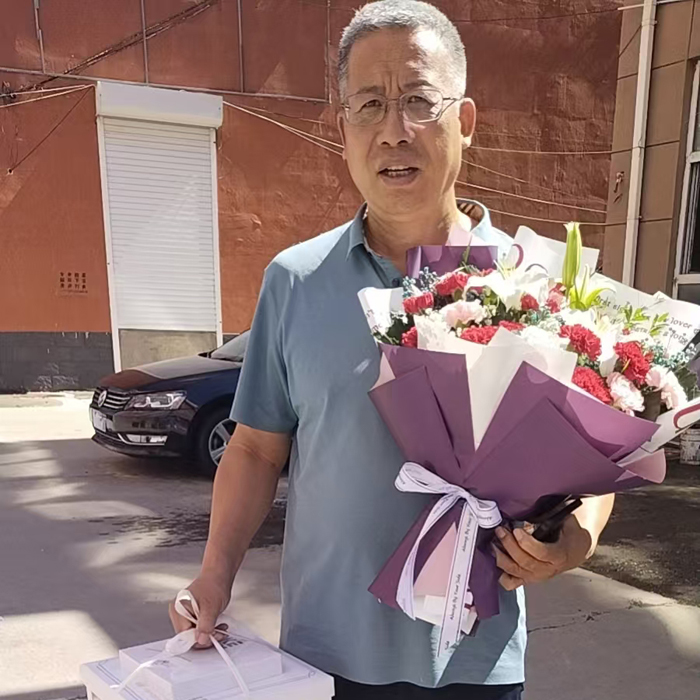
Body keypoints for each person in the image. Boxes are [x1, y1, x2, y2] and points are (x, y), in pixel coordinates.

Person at [170, 2, 615, 698]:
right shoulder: (296, 280)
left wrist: (577, 539)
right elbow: (255, 449)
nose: (394, 130)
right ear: (342, 128)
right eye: (370, 105)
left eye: (418, 101)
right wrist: (214, 574)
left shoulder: (531, 280)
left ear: (465, 121)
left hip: (477, 657)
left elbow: (594, 452)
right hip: (325, 656)